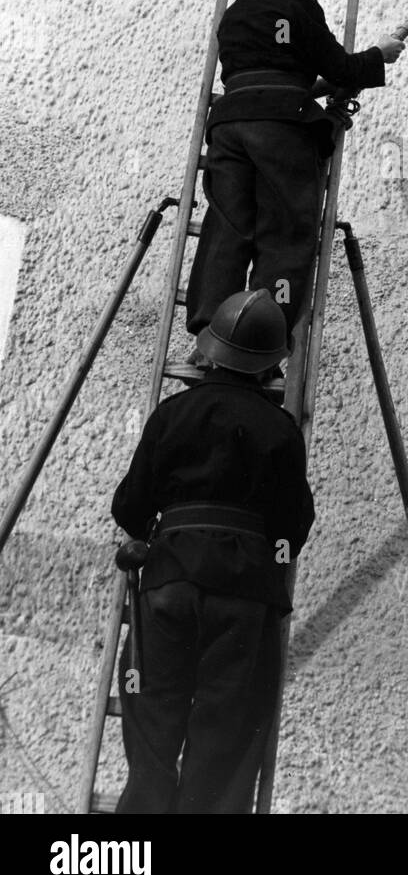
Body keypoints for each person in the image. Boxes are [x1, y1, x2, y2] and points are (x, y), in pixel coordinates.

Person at [112, 289, 314, 814]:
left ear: (209, 352)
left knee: (152, 723)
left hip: (167, 588)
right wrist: (259, 564)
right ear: (269, 367)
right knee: (227, 736)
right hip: (243, 601)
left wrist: (166, 536)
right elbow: (294, 527)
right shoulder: (282, 431)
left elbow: (131, 509)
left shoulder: (171, 414)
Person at [184, 0, 405, 363]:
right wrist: (378, 56)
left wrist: (307, 85)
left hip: (229, 130)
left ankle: (209, 338)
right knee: (285, 234)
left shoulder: (233, 16)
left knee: (226, 229)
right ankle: (263, 343)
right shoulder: (296, 5)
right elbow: (340, 69)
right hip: (281, 134)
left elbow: (268, 75)